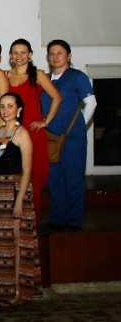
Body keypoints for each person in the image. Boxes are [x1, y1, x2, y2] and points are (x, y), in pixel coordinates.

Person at [0, 92, 41, 307]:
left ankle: (18, 291)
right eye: (3, 106)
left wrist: (19, 201)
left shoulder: (22, 133)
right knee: (0, 243)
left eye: (10, 106)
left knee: (16, 242)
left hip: (15, 190)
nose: (6, 110)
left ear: (18, 109)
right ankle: (1, 289)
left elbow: (27, 170)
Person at [41, 40, 97, 231]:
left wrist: (79, 125)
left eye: (60, 53)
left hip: (72, 138)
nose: (55, 56)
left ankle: (73, 220)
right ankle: (58, 217)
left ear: (69, 56)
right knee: (54, 179)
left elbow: (91, 103)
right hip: (50, 137)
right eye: (52, 53)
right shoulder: (46, 78)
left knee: (73, 178)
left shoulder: (77, 77)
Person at [7, 38, 62, 222]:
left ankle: (33, 222)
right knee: (15, 174)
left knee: (33, 176)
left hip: (32, 131)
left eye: (23, 52)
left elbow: (57, 98)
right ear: (10, 56)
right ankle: (15, 220)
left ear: (30, 55)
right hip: (13, 132)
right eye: (15, 52)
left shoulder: (37, 74)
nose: (19, 56)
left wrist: (45, 122)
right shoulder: (6, 76)